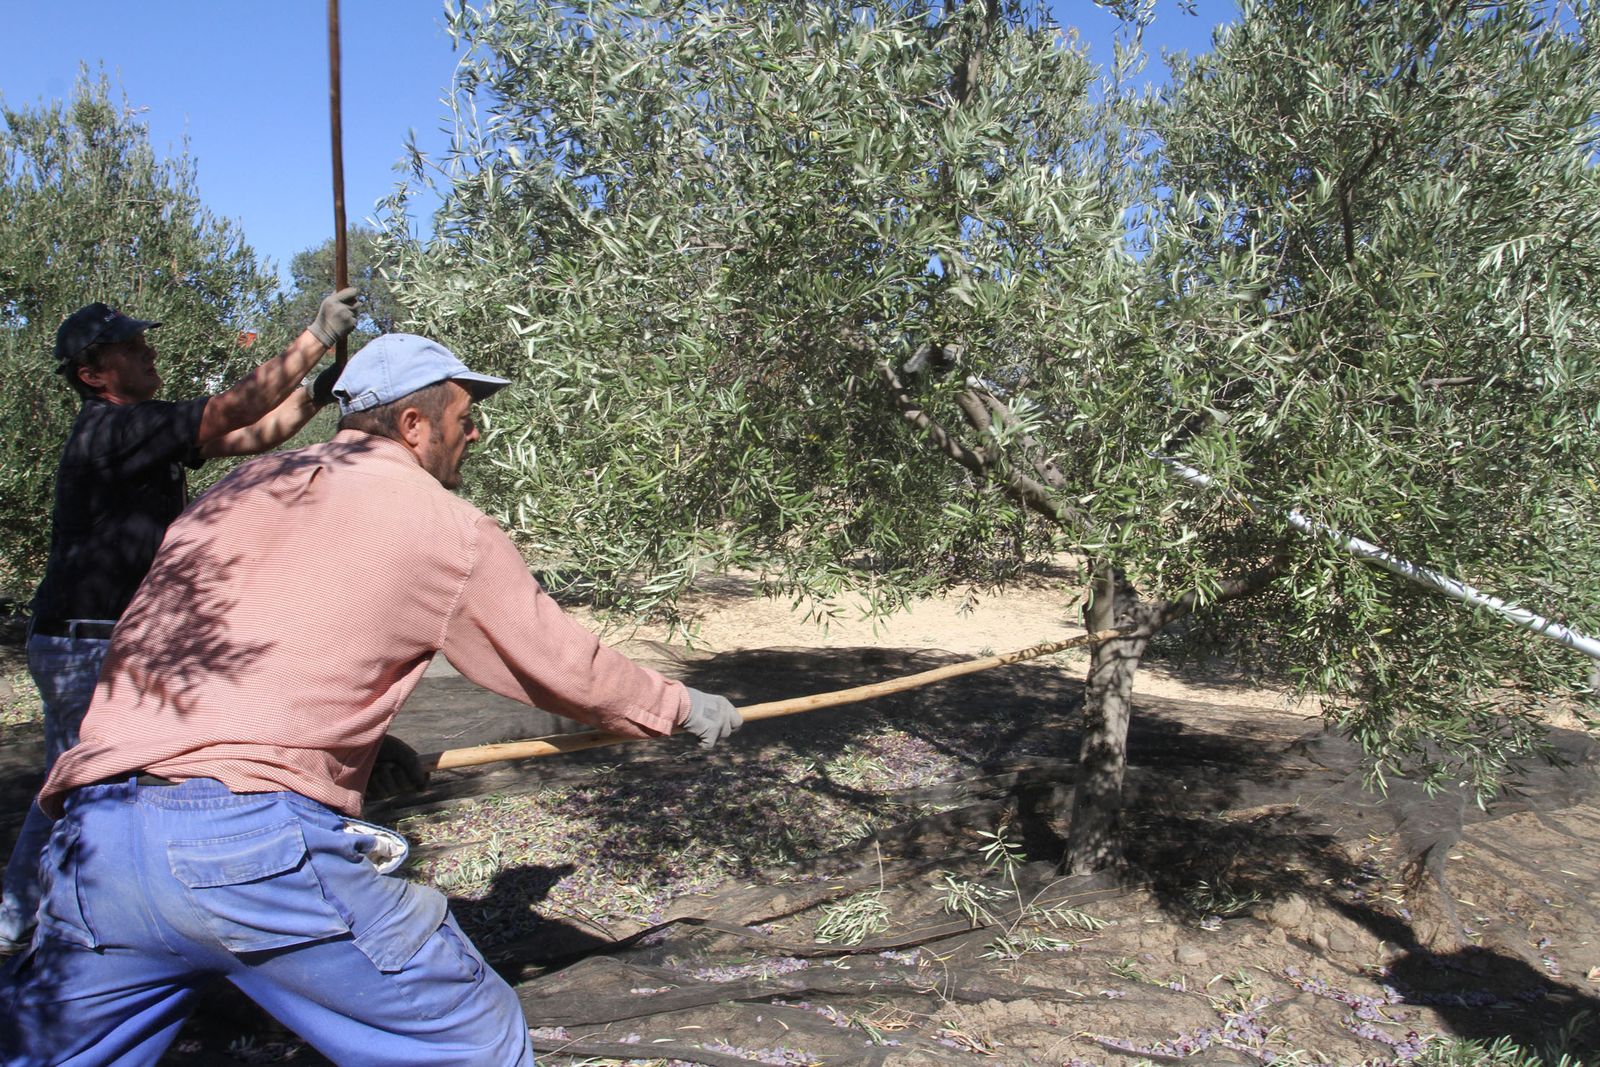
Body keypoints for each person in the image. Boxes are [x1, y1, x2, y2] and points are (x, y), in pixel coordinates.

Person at [0, 333, 743, 1066]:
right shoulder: (444, 523)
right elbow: (561, 666)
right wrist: (676, 705)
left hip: (95, 843)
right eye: (464, 419)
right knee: (472, 1041)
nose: (475, 433)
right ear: (414, 425)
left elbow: (216, 644)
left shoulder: (236, 489)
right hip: (242, 851)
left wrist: (347, 749)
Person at [0, 291, 361, 954]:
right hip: (88, 642)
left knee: (77, 781)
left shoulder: (138, 432)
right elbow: (236, 407)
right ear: (93, 374)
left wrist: (316, 392)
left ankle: (23, 917)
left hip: (102, 640)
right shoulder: (112, 430)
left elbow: (252, 434)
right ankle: (60, 927)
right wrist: (315, 336)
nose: (149, 353)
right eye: (131, 348)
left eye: (144, 342)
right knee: (88, 788)